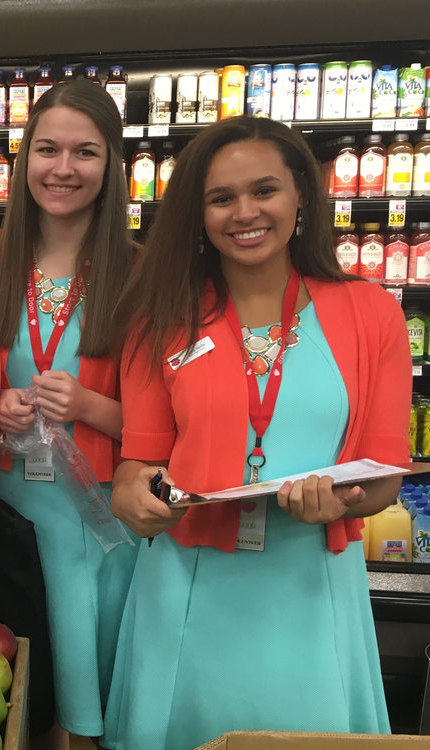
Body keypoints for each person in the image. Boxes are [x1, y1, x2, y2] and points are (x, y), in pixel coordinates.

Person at [104, 116, 407, 750]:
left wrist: (346, 499)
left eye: (264, 190)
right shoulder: (160, 316)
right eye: (221, 198)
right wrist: (131, 495)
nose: (245, 212)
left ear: (300, 194)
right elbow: (139, 461)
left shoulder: (371, 312)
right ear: (198, 213)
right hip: (186, 583)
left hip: (309, 587)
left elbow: (384, 472)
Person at [0, 80, 137, 747]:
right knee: (21, 693)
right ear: (23, 159)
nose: (63, 169)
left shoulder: (141, 277)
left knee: (90, 691)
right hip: (8, 518)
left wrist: (91, 406)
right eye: (48, 149)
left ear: (110, 166)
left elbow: (173, 427)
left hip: (99, 521)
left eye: (85, 152)